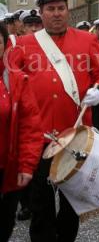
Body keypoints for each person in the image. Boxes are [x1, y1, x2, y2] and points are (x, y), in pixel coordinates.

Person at [9, 0, 99, 242]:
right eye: (50, 9)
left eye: (61, 8)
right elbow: (9, 83)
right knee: (41, 203)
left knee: (70, 204)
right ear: (41, 13)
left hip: (75, 136)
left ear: (68, 11)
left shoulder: (87, 40)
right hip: (39, 138)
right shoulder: (23, 45)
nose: (56, 13)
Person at [0, 24, 43, 242]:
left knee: (5, 224)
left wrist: (26, 165)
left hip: (7, 168)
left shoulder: (16, 79)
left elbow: (30, 126)